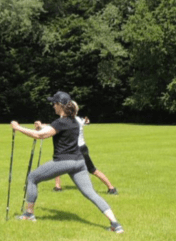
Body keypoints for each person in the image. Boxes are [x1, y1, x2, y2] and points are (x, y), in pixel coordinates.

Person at [10, 91, 123, 234]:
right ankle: (115, 224)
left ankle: (29, 214)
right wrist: (42, 127)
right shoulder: (74, 121)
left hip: (64, 161)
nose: (52, 106)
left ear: (60, 105)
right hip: (79, 162)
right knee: (91, 193)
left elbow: (41, 135)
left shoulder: (61, 122)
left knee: (32, 178)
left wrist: (18, 127)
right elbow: (51, 129)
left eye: (54, 104)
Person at [53, 101, 118, 194]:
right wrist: (87, 121)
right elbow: (84, 122)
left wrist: (41, 127)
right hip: (80, 148)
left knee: (91, 169)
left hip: (75, 148)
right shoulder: (77, 119)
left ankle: (111, 188)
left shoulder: (69, 120)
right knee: (60, 165)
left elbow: (55, 127)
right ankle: (57, 186)